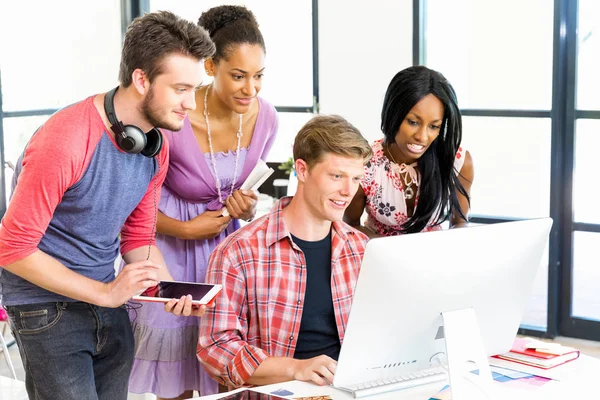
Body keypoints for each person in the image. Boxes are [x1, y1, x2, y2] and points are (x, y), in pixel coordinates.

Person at [0, 11, 214, 400]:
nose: (191, 104)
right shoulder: (64, 140)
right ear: (141, 79)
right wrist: (105, 293)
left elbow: (138, 237)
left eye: (194, 89)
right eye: (181, 89)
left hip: (107, 296)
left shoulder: (154, 145)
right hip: (46, 307)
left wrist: (169, 291)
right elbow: (11, 248)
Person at [127, 6, 278, 400]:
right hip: (170, 247)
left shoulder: (267, 119)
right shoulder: (175, 117)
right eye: (239, 76)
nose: (251, 89)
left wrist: (244, 206)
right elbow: (135, 204)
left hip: (227, 251)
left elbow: (244, 186)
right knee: (175, 381)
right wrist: (186, 229)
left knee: (226, 366)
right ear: (210, 67)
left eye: (259, 76)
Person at [197, 115, 373, 388]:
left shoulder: (362, 250)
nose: (348, 191)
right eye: (337, 176)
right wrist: (296, 369)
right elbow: (216, 349)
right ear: (302, 170)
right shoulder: (238, 252)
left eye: (356, 178)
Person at [344, 65, 474, 236]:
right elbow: (351, 227)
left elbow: (460, 224)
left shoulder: (457, 161)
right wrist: (390, 249)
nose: (422, 137)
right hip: (379, 254)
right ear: (393, 114)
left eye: (434, 126)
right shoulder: (365, 164)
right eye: (413, 122)